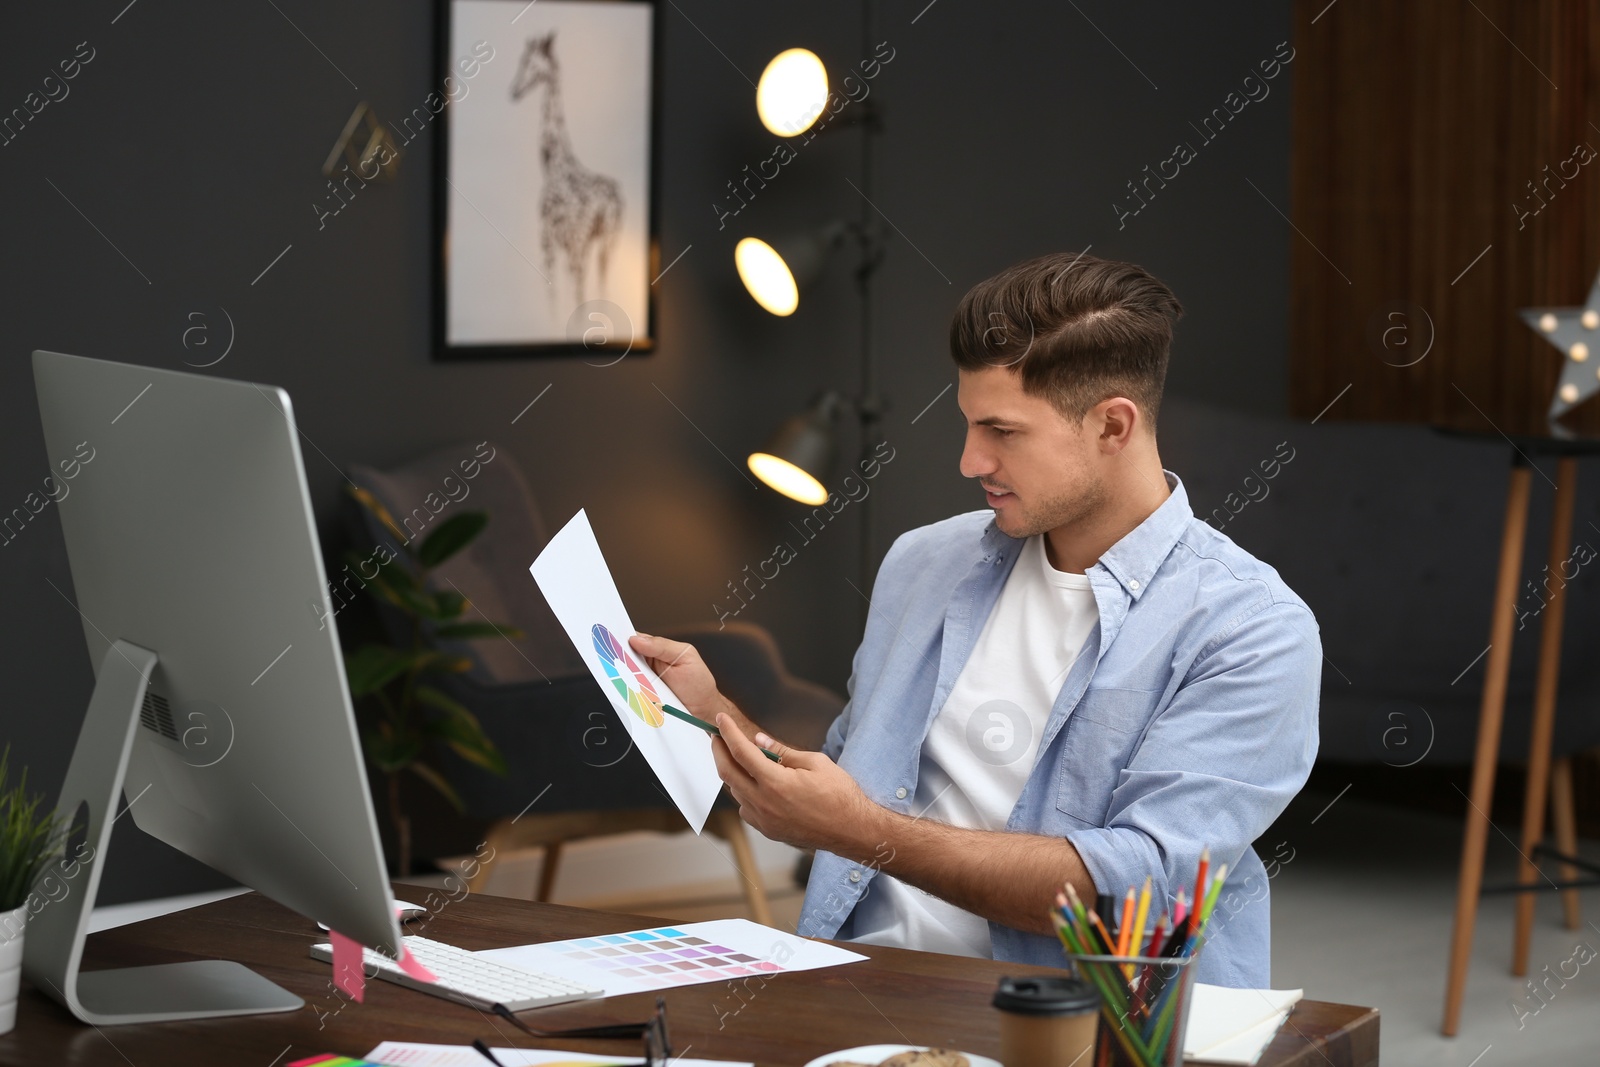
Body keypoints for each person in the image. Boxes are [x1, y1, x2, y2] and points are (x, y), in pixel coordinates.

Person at [630, 252, 1320, 986]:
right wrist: (715, 721)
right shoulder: (922, 562)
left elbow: (1133, 892)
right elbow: (848, 774)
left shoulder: (1250, 630)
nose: (968, 460)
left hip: (1076, 1026)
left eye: (1002, 430)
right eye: (968, 424)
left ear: (1113, 426)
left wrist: (861, 833)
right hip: (862, 985)